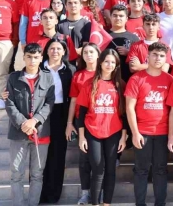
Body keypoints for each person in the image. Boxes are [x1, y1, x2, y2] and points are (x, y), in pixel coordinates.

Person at [125, 42, 173, 206]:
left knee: (160, 170)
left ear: (165, 58)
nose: (158, 58)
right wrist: (135, 133)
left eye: (161, 55)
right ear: (147, 56)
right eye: (154, 54)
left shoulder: (170, 80)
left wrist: (171, 135)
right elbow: (129, 108)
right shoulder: (136, 79)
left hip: (162, 134)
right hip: (143, 133)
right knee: (141, 171)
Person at [5, 43, 55, 206]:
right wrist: (23, 123)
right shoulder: (13, 78)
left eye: (36, 57)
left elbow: (49, 102)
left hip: (40, 132)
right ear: (23, 57)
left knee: (37, 174)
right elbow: (9, 103)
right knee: (16, 174)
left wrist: (35, 120)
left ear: (41, 58)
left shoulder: (48, 77)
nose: (32, 60)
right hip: (18, 133)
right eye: (29, 57)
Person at [77, 49, 128, 206]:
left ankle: (107, 203)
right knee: (98, 169)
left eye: (113, 62)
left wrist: (124, 136)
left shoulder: (120, 85)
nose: (109, 65)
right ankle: (95, 203)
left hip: (113, 132)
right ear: (100, 62)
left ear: (117, 65)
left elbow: (124, 114)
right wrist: (81, 137)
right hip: (93, 132)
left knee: (111, 170)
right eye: (107, 61)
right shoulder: (90, 84)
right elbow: (81, 113)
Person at [38, 38, 76, 204]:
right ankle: (40, 193)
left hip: (61, 114)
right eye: (52, 48)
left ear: (64, 52)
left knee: (58, 155)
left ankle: (54, 195)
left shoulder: (69, 70)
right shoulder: (38, 68)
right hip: (41, 114)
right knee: (41, 155)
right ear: (46, 51)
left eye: (58, 49)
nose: (55, 51)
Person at [66, 43, 100, 205]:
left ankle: (99, 192)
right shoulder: (78, 75)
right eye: (85, 52)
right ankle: (86, 193)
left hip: (103, 122)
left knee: (100, 161)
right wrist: (69, 122)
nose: (89, 55)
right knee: (84, 160)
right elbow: (73, 101)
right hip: (83, 123)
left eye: (92, 52)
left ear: (98, 54)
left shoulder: (106, 74)